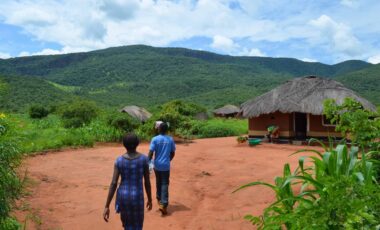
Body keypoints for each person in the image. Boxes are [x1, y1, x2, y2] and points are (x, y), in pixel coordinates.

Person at [103, 133, 152, 230]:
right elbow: (147, 182)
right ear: (137, 143)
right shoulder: (144, 160)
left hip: (123, 197)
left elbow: (113, 183)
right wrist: (150, 199)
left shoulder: (119, 161)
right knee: (137, 225)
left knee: (127, 225)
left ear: (124, 144)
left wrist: (107, 206)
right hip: (138, 197)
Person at [148, 122, 176, 215]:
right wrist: (168, 160)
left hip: (157, 165)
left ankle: (159, 199)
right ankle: (163, 204)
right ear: (167, 130)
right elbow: (172, 153)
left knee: (158, 182)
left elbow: (151, 153)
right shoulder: (170, 139)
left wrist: (148, 163)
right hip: (165, 166)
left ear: (159, 129)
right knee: (165, 183)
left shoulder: (155, 139)